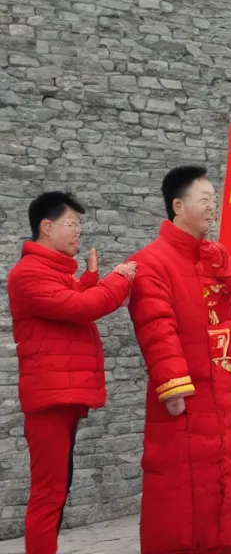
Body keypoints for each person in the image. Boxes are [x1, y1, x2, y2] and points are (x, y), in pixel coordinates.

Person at [7, 191, 135, 554]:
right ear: (46, 227)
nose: (78, 231)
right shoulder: (27, 274)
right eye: (72, 224)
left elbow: (70, 304)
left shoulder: (50, 272)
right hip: (49, 401)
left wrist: (93, 276)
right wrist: (119, 279)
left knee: (59, 488)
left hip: (61, 397)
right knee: (48, 494)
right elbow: (79, 307)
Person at [128, 166, 231, 554]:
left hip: (222, 395)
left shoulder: (213, 258)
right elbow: (155, 327)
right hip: (185, 400)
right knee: (180, 500)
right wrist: (173, 386)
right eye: (205, 199)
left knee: (225, 491)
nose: (213, 205)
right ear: (178, 206)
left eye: (214, 198)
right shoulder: (152, 261)